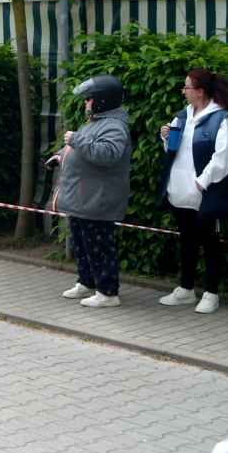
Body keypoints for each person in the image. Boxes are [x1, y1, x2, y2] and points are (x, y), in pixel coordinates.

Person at [155, 69, 228, 314]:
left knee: (210, 243)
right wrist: (166, 138)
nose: (183, 91)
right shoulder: (181, 117)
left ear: (200, 92)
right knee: (187, 241)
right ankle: (185, 289)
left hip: (205, 194)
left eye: (187, 87)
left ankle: (211, 292)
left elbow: (225, 156)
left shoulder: (221, 119)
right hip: (179, 192)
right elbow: (173, 152)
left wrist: (203, 181)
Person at [54, 74, 132, 308]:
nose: (86, 103)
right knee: (82, 243)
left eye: (89, 99)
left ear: (102, 101)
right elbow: (80, 149)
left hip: (97, 199)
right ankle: (86, 282)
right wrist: (59, 155)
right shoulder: (96, 122)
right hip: (82, 198)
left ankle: (108, 293)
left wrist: (77, 140)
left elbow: (108, 154)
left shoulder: (115, 126)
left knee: (99, 245)